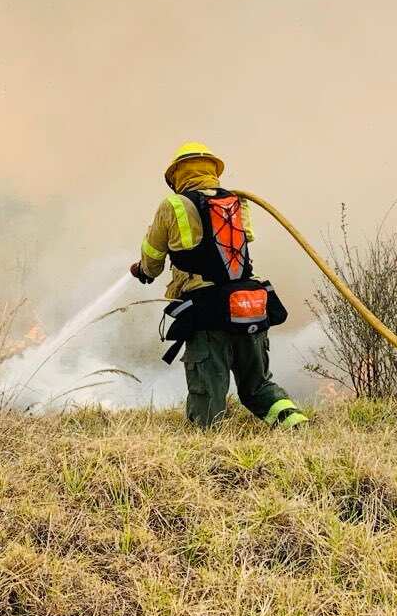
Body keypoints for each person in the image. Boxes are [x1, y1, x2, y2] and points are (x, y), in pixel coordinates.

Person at [130, 142, 309, 429]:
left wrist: (142, 270)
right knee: (258, 387)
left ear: (176, 174)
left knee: (208, 397)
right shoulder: (237, 201)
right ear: (213, 170)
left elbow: (153, 261)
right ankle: (296, 423)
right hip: (248, 305)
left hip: (207, 312)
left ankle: (206, 453)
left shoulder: (173, 205)